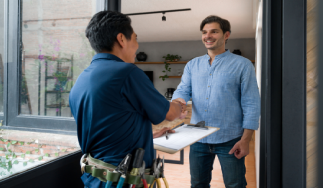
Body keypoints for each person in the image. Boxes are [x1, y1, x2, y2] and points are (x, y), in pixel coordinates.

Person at [69, 11, 187, 188]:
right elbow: (169, 113)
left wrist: (149, 134)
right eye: (135, 39)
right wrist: (179, 104)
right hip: (123, 182)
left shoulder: (81, 79)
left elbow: (108, 127)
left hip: (95, 179)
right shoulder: (127, 73)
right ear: (121, 39)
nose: (137, 46)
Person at [172, 15, 260, 188]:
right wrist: (178, 101)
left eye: (214, 31)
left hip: (231, 139)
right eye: (204, 32)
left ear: (226, 35)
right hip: (198, 138)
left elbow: (251, 103)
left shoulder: (243, 65)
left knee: (235, 185)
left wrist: (245, 140)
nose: (208, 36)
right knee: (198, 184)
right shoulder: (192, 65)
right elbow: (183, 89)